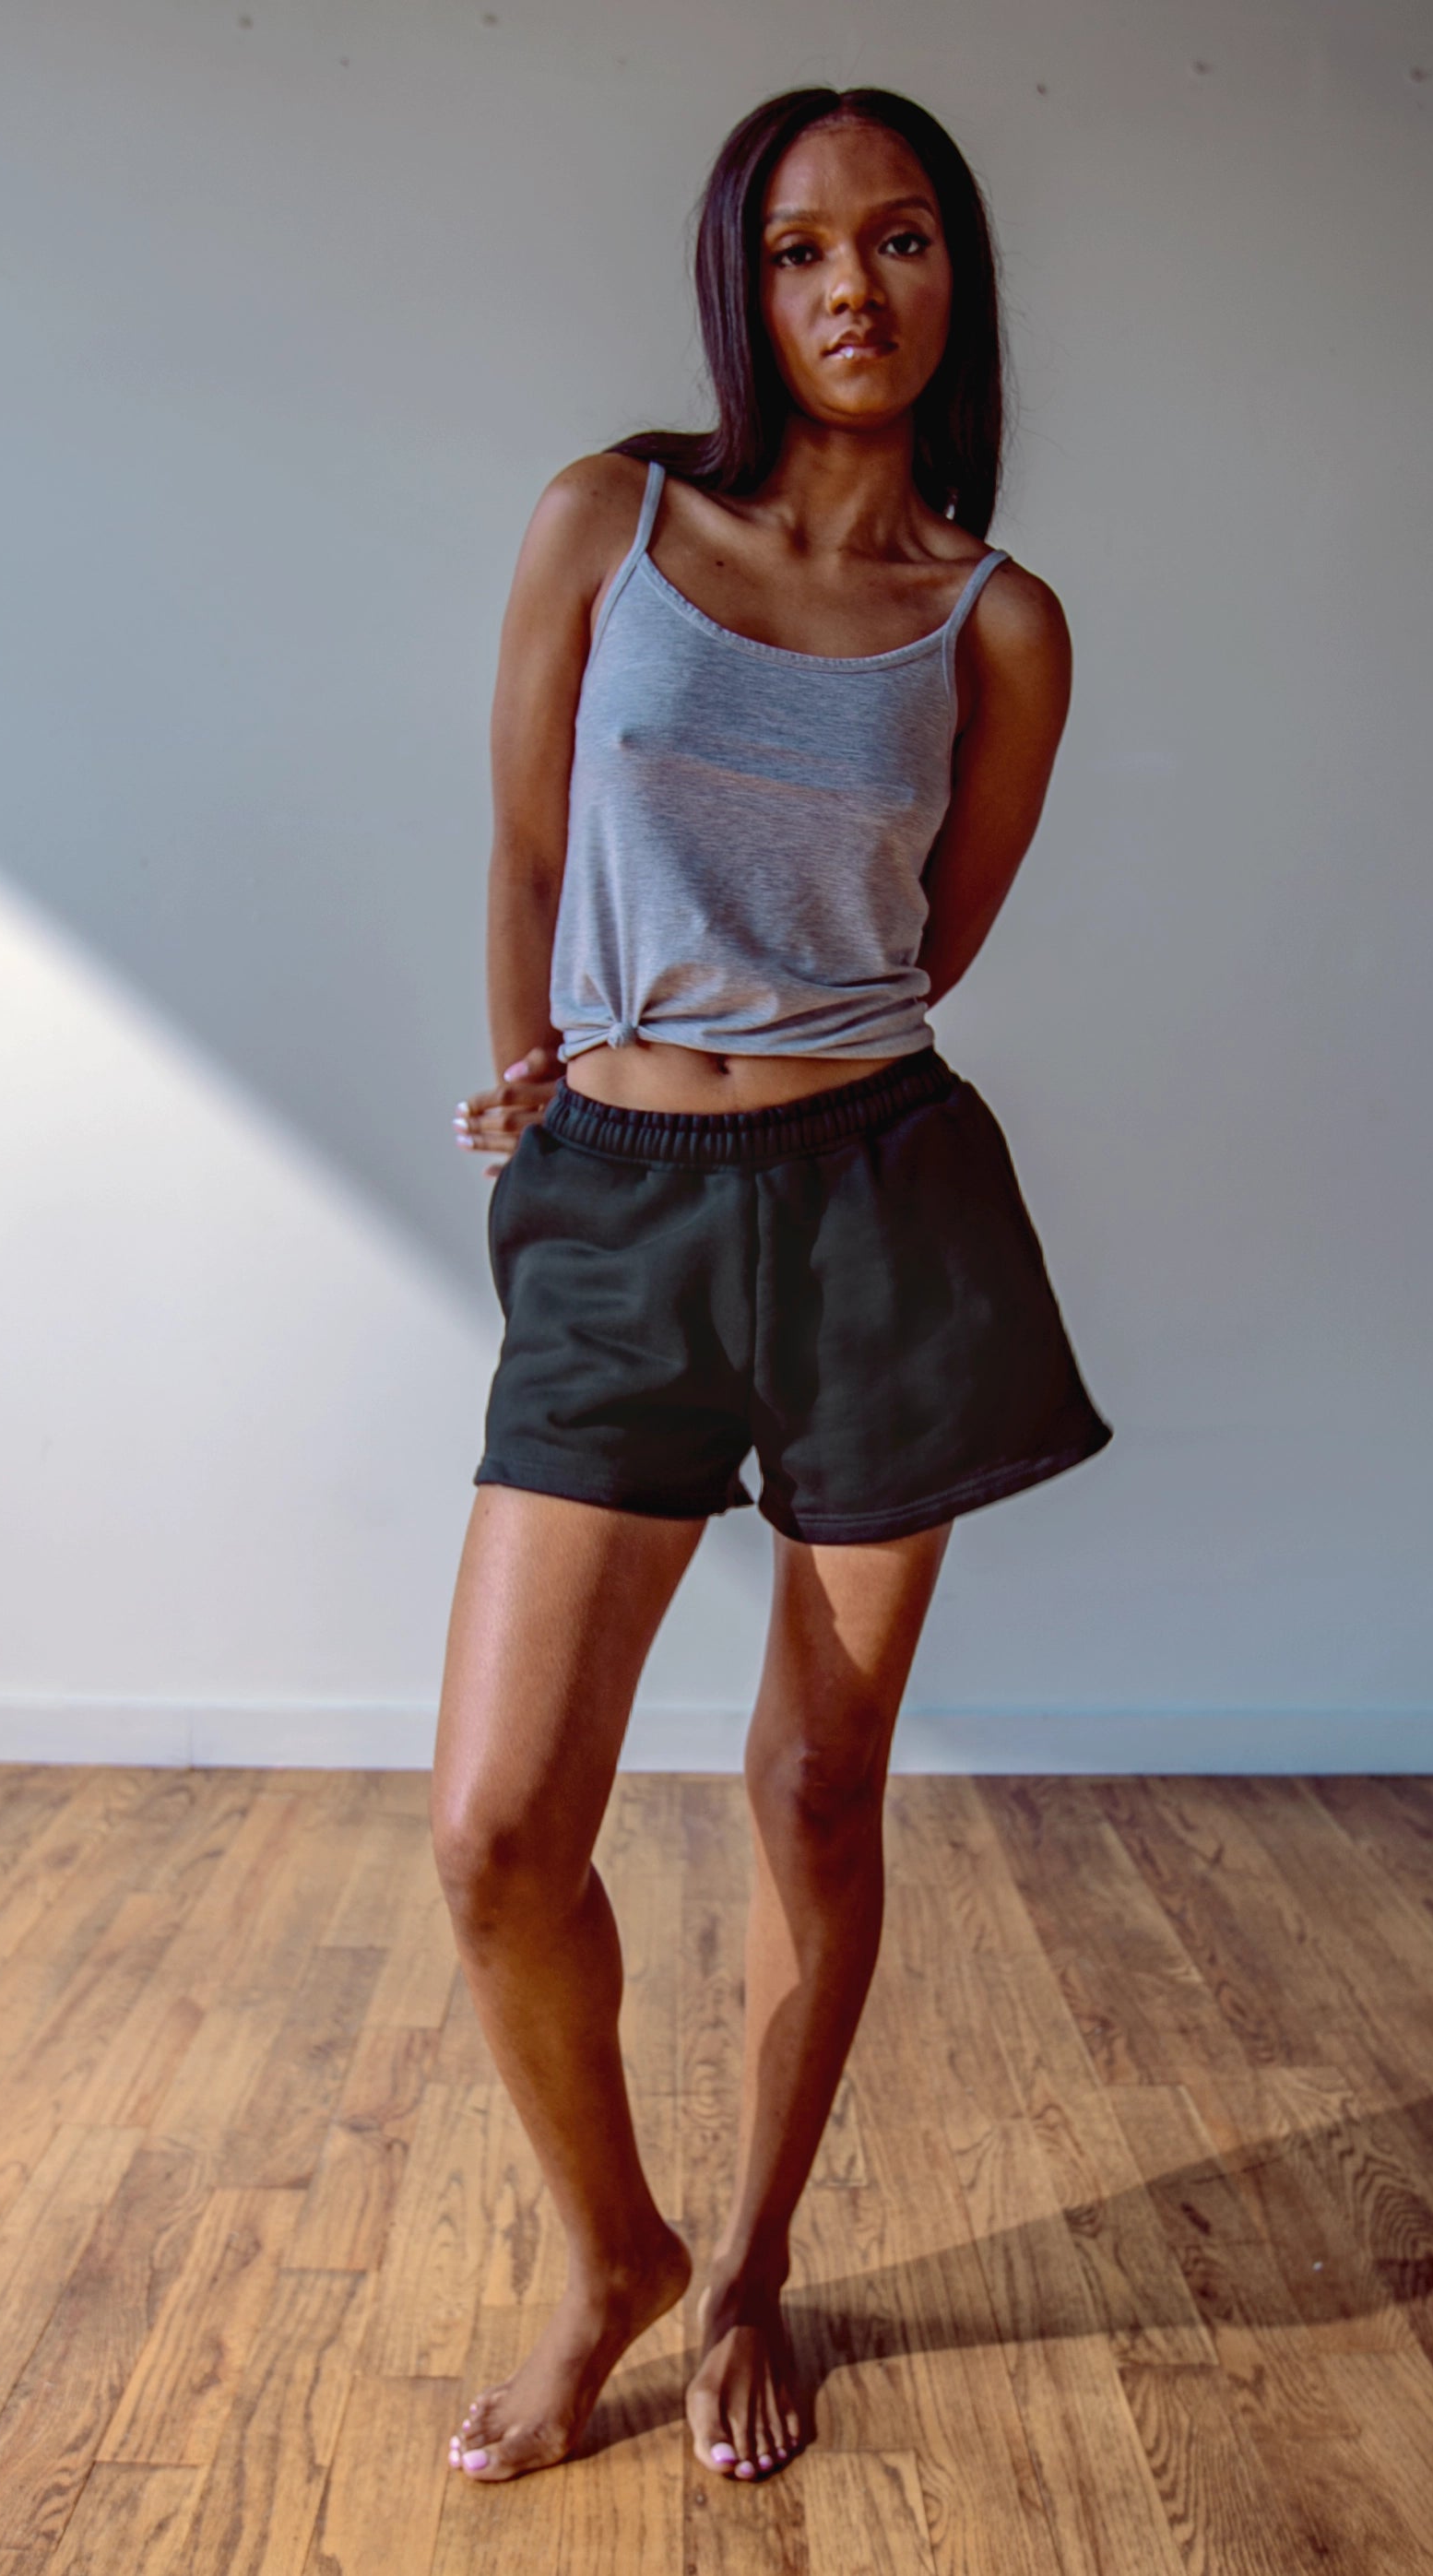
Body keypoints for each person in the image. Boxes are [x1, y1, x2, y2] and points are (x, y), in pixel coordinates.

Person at [431, 83, 1112, 2487]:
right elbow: (524, 839)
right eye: (809, 247)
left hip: (874, 1204)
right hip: (614, 1192)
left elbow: (933, 943)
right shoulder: (603, 522)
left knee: (819, 1783)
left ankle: (748, 2268)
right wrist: (538, 1107)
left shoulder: (992, 617)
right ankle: (607, 2243)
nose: (856, 287)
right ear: (747, 279)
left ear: (956, 279)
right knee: (502, 1819)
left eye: (904, 239)